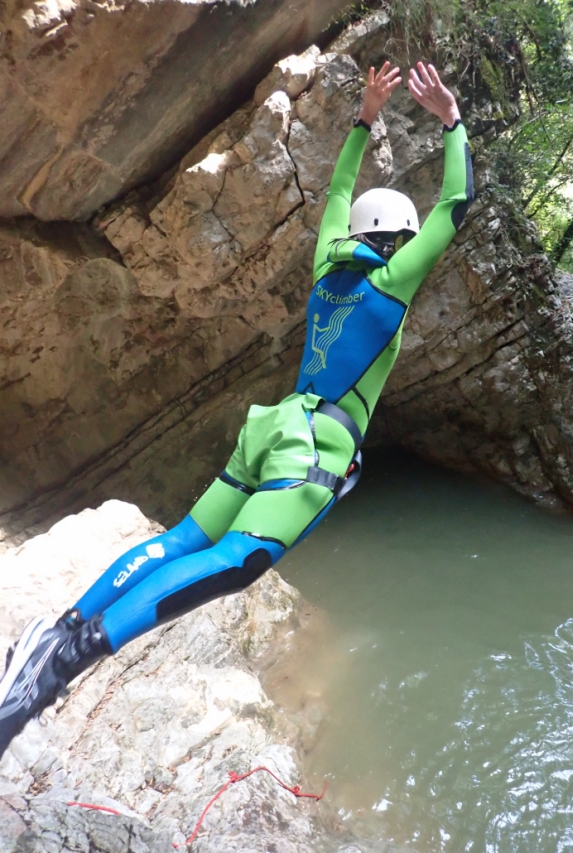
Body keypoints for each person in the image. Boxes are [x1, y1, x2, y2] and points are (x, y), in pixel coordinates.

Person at [0, 61, 473, 759]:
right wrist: (452, 121)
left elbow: (337, 193)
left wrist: (364, 118)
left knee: (182, 540)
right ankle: (63, 665)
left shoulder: (328, 263)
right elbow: (455, 204)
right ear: (400, 237)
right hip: (315, 447)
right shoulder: (396, 277)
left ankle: (62, 628)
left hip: (273, 425)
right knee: (238, 559)